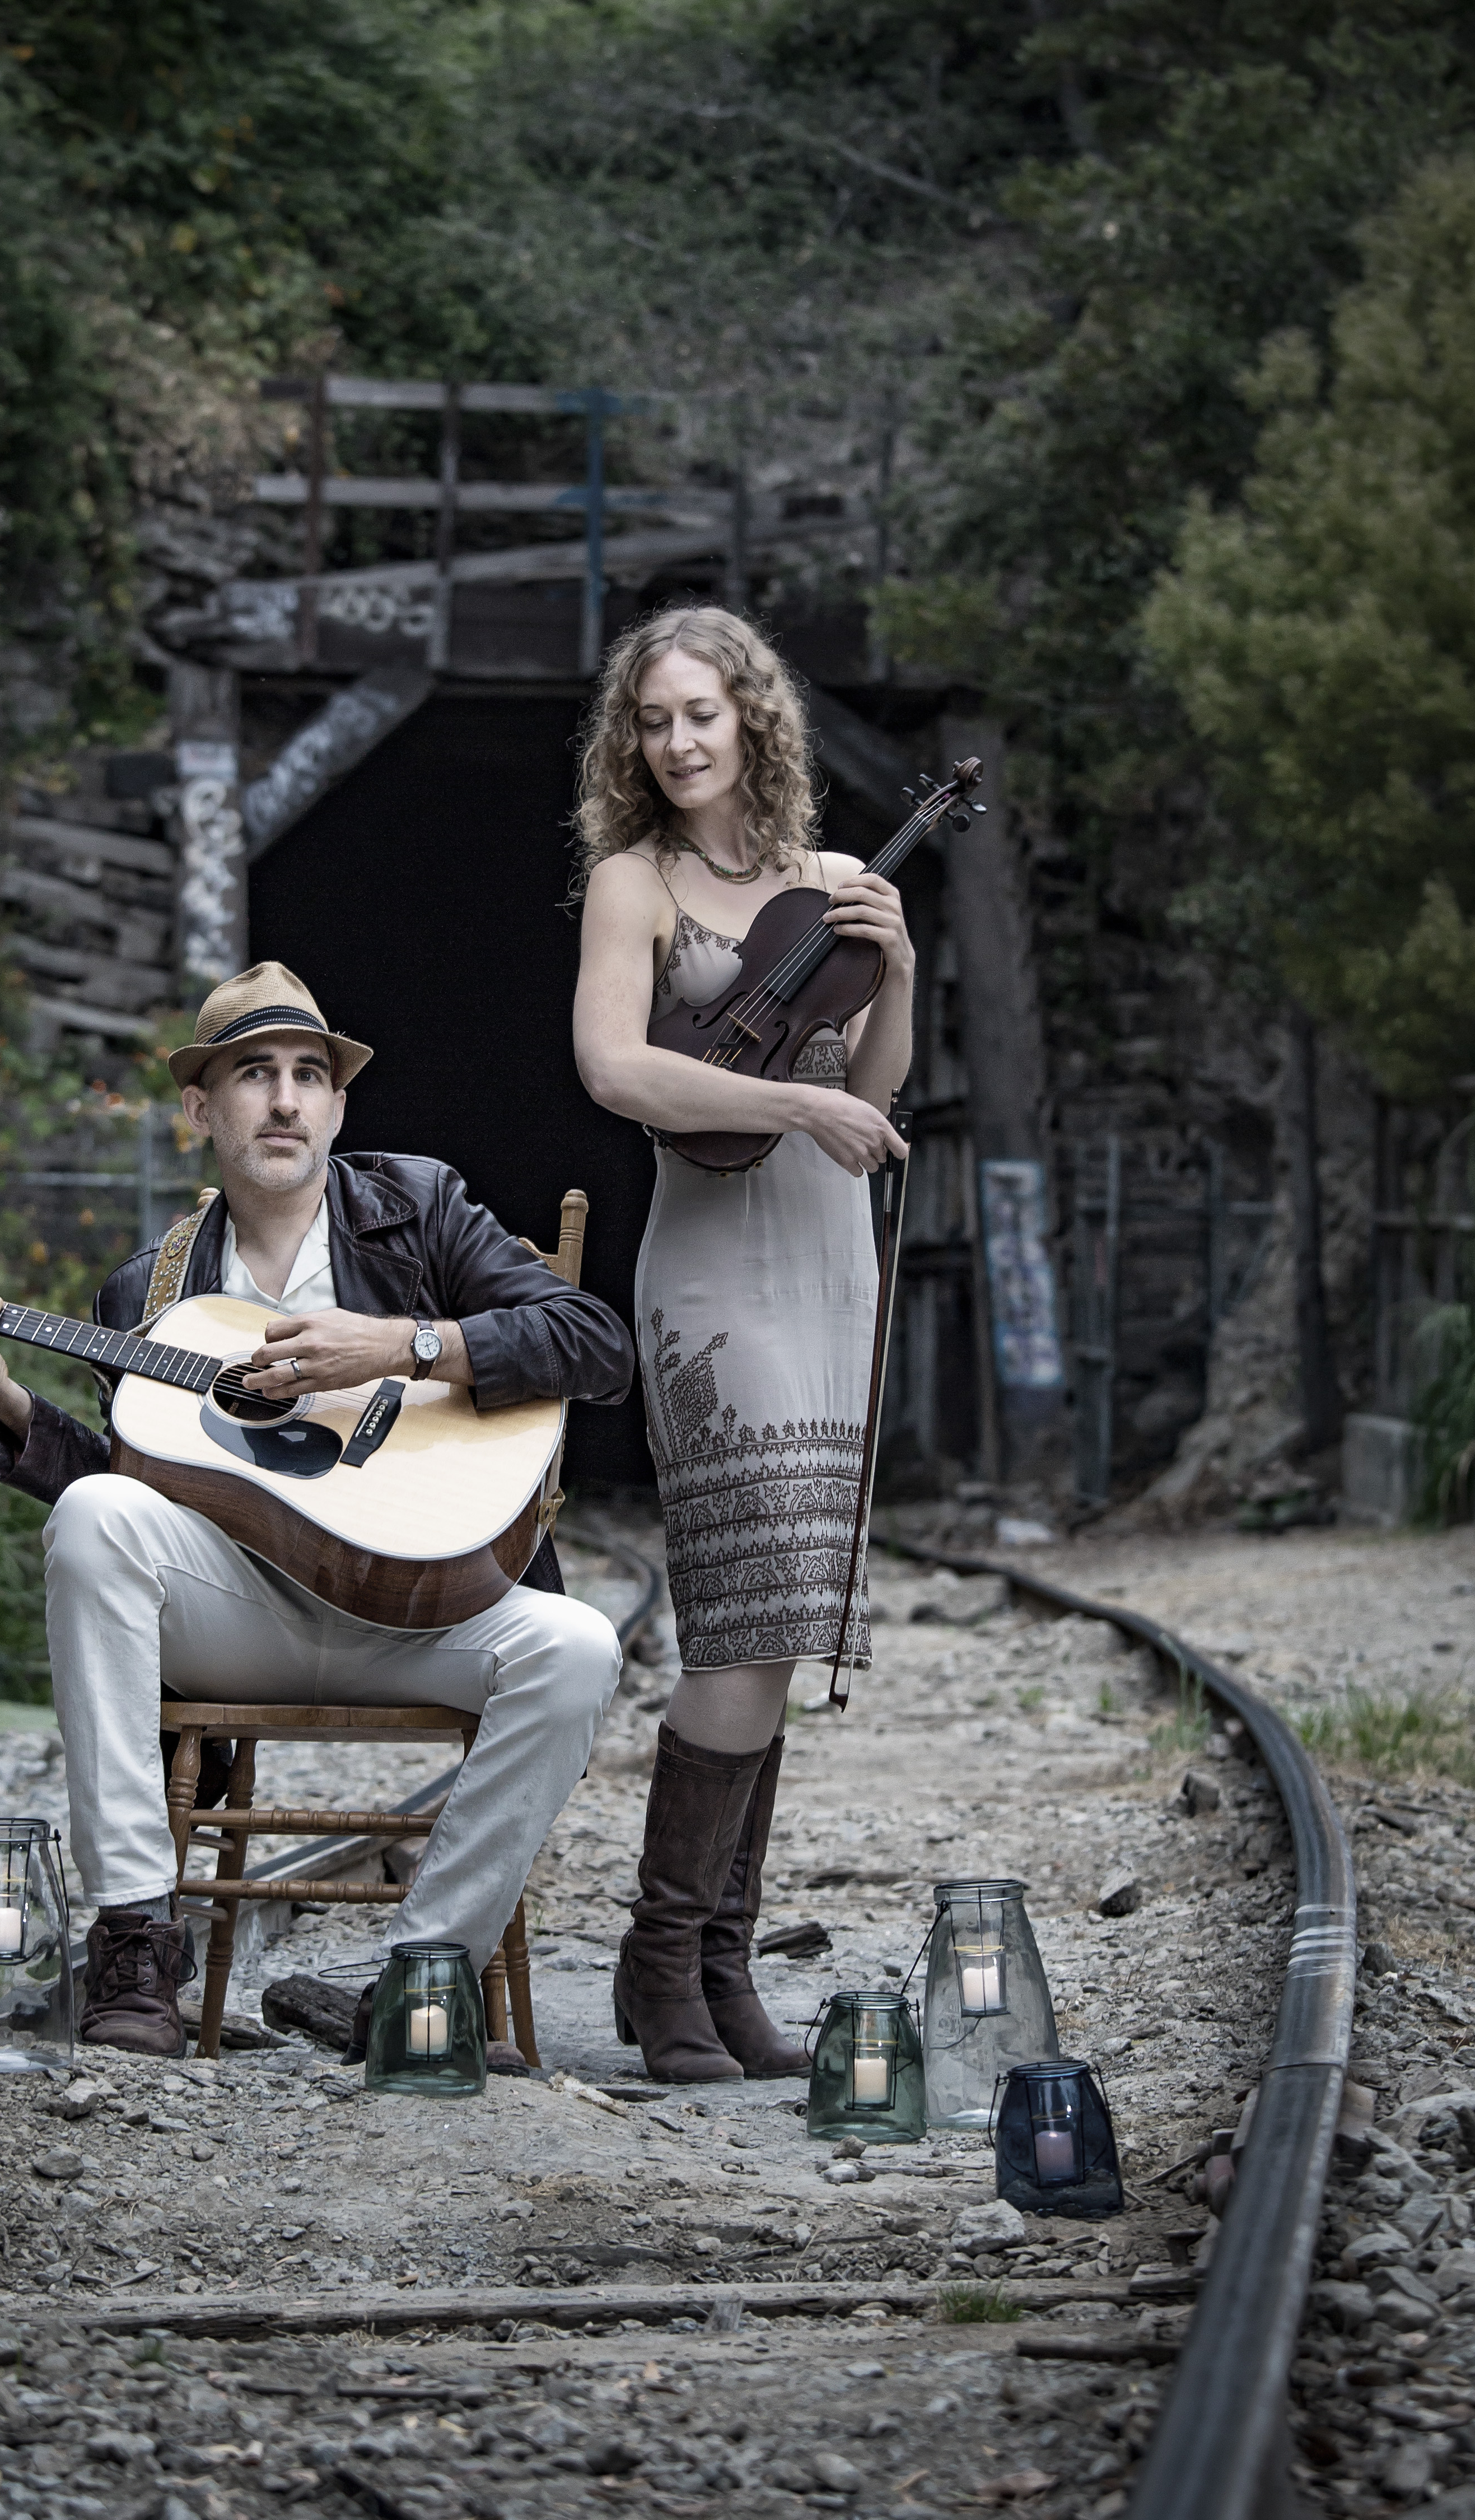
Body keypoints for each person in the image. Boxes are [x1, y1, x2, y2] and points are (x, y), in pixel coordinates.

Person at [0, 961, 634, 2059]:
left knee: (579, 1643)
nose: (288, 1099)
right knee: (95, 1521)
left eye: (311, 1074)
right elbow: (122, 1496)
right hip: (240, 1622)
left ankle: (421, 1987)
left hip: (422, 1607)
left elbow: (596, 1344)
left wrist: (407, 1344)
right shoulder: (147, 1293)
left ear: (341, 1107)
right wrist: (0, 1396)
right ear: (203, 1109)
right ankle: (136, 1943)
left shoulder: (420, 1208)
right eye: (256, 1074)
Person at [572, 608, 913, 2083]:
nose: (680, 740)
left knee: (776, 1626)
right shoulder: (632, 883)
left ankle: (722, 1967)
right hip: (710, 1271)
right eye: (655, 718)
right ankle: (660, 1971)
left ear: (754, 718)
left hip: (826, 1260)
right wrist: (798, 1106)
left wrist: (895, 970)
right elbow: (617, 1066)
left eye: (702, 711)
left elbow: (874, 1090)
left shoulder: (832, 885)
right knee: (742, 1606)